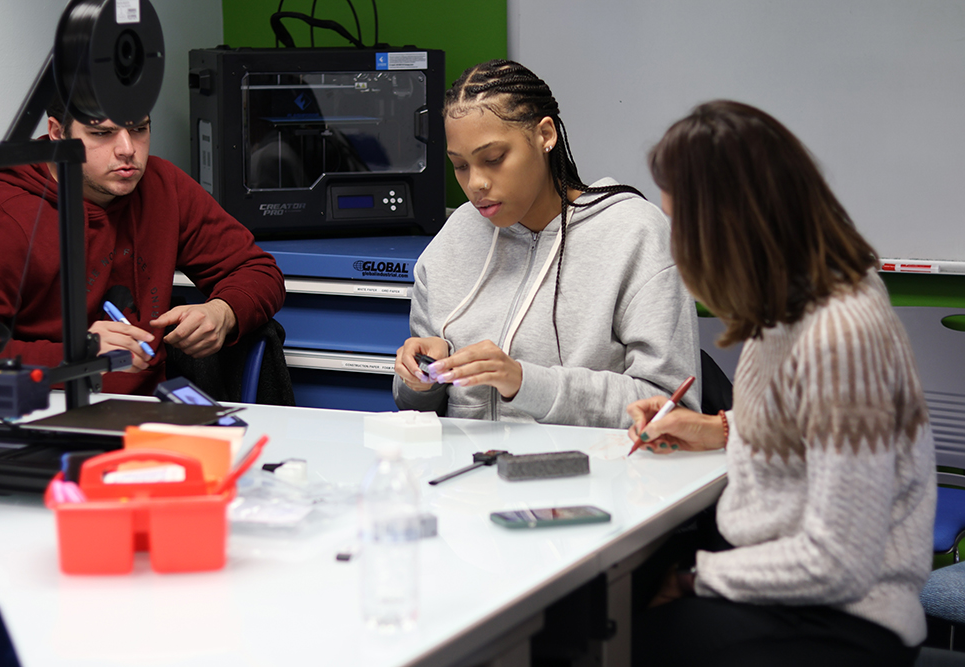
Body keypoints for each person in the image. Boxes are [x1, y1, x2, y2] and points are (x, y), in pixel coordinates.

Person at [628, 100, 935, 666]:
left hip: (848, 616)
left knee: (626, 643)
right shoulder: (791, 304)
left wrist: (699, 577)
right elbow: (812, 426)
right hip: (795, 591)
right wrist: (719, 427)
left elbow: (838, 561)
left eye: (680, 226)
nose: (676, 248)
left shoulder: (841, 333)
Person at [392, 60, 700, 427]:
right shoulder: (453, 240)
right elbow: (414, 407)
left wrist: (525, 383)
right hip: (468, 475)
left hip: (597, 477)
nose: (476, 183)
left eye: (494, 159)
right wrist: (421, 382)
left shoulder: (634, 234)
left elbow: (669, 407)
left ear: (545, 135)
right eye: (460, 165)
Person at [0, 95, 286, 395]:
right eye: (102, 133)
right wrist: (78, 355)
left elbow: (257, 269)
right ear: (56, 132)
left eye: (139, 129)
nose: (127, 149)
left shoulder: (164, 187)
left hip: (149, 413)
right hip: (45, 412)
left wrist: (223, 312)